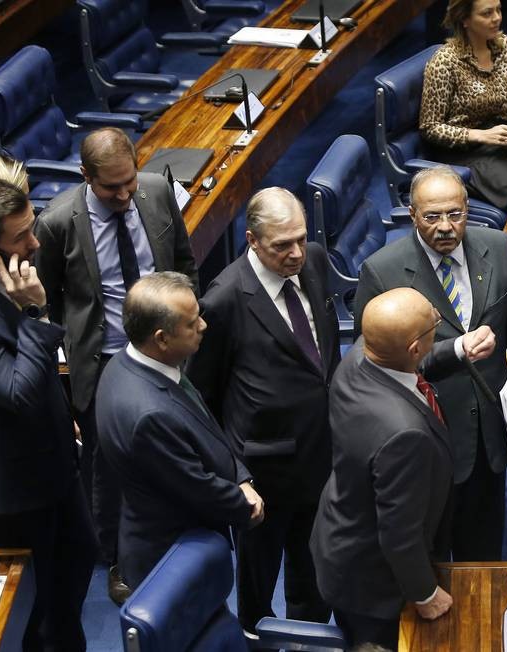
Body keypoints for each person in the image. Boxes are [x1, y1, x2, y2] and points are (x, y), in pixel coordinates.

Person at [34, 126, 198, 603]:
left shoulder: (156, 190)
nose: (125, 195)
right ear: (85, 176)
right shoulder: (58, 221)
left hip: (167, 351)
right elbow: (47, 299)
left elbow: (184, 263)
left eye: (129, 182)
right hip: (104, 359)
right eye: (111, 188)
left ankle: (178, 537)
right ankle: (117, 558)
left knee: (176, 445)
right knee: (110, 468)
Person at [352, 166, 507, 562]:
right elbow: (374, 370)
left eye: (455, 214)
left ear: (467, 209)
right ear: (412, 215)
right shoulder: (383, 271)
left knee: (485, 545)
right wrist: (454, 350)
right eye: (432, 217)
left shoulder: (497, 247)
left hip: (491, 428)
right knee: (433, 549)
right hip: (426, 436)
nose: (445, 227)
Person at [186, 188, 338, 635]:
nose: (296, 254)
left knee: (315, 574)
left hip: (321, 453)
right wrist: (235, 473)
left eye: (300, 239)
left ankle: (310, 642)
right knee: (259, 581)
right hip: (263, 475)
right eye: (281, 246)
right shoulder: (224, 298)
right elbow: (200, 397)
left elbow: (322, 354)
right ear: (252, 240)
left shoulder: (314, 259)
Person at [311, 287, 496, 649]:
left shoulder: (360, 356)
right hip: (374, 587)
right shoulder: (405, 437)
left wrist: (457, 348)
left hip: (341, 534)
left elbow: (406, 362)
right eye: (435, 326)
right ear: (414, 348)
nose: (438, 326)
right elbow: (400, 534)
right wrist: (425, 594)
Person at [96, 272, 264, 589]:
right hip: (172, 562)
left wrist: (240, 475)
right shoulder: (149, 415)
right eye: (192, 323)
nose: (203, 325)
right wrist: (245, 504)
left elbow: (203, 425)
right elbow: (194, 486)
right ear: (161, 338)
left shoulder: (130, 362)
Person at [0, 178, 98, 650]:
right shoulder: (12, 300)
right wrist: (36, 314)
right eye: (21, 237)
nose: (35, 242)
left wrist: (61, 410)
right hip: (19, 495)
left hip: (55, 465)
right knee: (42, 616)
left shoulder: (10, 283)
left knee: (78, 569)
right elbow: (16, 392)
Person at [420, 0, 507, 212]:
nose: (497, 18)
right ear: (465, 19)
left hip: (502, 133)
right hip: (464, 149)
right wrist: (479, 135)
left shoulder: (506, 46)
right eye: (487, 13)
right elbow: (430, 127)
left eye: (498, 10)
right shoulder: (444, 62)